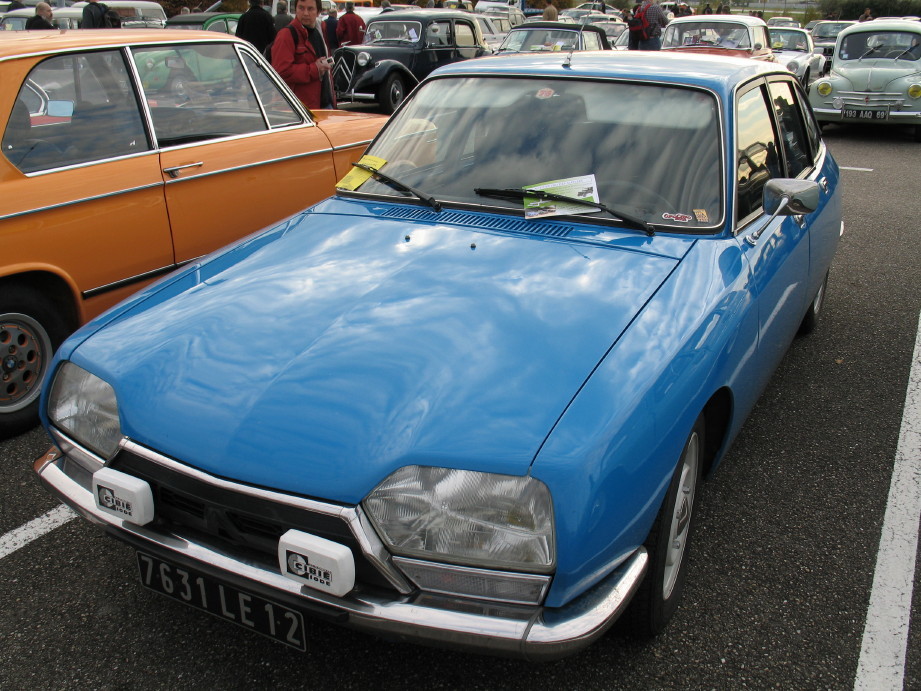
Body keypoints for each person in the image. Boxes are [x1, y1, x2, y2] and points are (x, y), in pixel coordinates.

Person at [273, 0, 335, 110]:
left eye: (310, 9)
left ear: (318, 12)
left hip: (324, 103)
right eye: (301, 8)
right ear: (295, 9)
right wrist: (315, 69)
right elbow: (281, 71)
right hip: (301, 109)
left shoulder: (319, 31)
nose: (305, 13)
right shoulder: (286, 35)